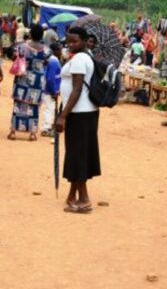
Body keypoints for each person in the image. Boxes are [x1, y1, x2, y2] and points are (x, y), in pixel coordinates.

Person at [55, 26, 100, 214]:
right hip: (85, 112)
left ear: (83, 40)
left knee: (77, 156)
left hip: (79, 113)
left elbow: (77, 89)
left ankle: (84, 199)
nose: (71, 44)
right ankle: (72, 195)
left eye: (75, 41)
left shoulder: (81, 59)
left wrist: (63, 116)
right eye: (69, 40)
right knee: (78, 154)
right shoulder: (83, 57)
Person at [8, 24, 48, 141]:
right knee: (34, 107)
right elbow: (46, 62)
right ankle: (32, 134)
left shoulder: (22, 47)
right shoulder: (46, 50)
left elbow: (15, 57)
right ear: (41, 35)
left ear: (30, 34)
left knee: (18, 105)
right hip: (37, 82)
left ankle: (13, 132)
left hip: (23, 79)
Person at [41, 42, 63, 137]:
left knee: (50, 108)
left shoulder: (52, 60)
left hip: (50, 89)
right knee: (50, 108)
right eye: (60, 50)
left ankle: (48, 127)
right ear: (56, 51)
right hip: (50, 90)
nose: (61, 51)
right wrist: (54, 91)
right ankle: (46, 128)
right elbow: (50, 78)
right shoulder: (54, 61)